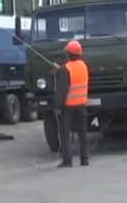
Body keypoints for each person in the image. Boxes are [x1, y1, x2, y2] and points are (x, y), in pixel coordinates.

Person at [54, 39, 90, 168]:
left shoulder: (66, 69)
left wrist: (57, 106)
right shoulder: (83, 66)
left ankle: (67, 160)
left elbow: (62, 90)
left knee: (64, 132)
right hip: (81, 104)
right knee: (82, 132)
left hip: (68, 106)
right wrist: (61, 70)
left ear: (68, 54)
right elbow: (75, 78)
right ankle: (84, 159)